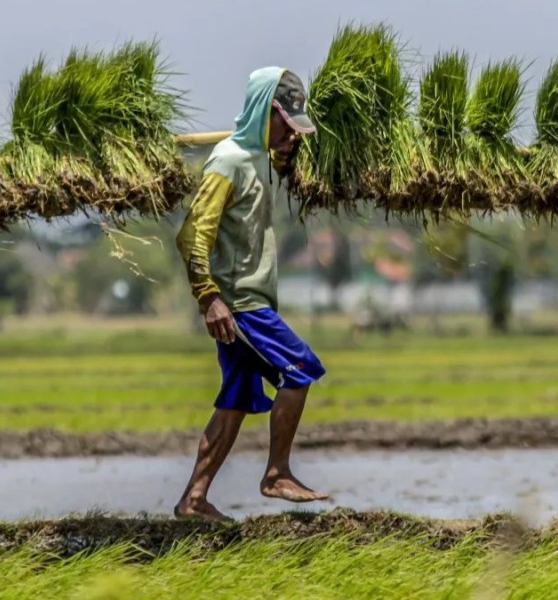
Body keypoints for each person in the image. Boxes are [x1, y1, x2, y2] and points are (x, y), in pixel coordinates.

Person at [173, 67, 329, 521]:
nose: (290, 134)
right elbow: (191, 236)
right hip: (240, 305)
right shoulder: (227, 162)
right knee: (300, 369)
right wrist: (209, 298)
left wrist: (286, 152)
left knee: (236, 400)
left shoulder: (257, 157)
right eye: (286, 124)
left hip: (245, 301)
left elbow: (266, 173)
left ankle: (193, 500)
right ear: (266, 111)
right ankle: (277, 473)